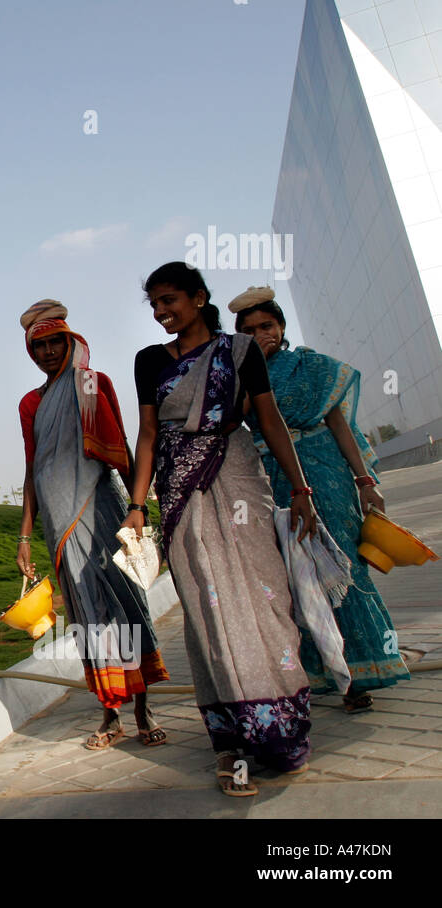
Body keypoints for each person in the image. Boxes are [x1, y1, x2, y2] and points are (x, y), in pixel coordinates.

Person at [123, 263, 317, 797]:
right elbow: (145, 434)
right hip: (180, 488)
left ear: (198, 298)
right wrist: (138, 505)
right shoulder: (147, 361)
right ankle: (232, 742)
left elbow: (268, 418)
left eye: (170, 301)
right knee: (209, 607)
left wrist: (301, 490)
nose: (163, 312)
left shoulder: (240, 351)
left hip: (237, 474)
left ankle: (281, 729)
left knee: (265, 595)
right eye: (155, 304)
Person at [232, 286, 409, 712]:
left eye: (267, 326)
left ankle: (362, 669)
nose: (262, 335)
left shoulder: (311, 367)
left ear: (282, 326)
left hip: (326, 470)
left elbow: (340, 425)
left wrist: (366, 481)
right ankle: (320, 673)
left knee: (343, 564)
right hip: (275, 479)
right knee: (299, 575)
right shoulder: (240, 375)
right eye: (250, 330)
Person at [16, 299, 170, 749]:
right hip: (59, 520)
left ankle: (144, 709)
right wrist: (24, 534)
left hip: (103, 506)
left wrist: (139, 507)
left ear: (70, 341)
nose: (47, 352)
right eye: (38, 345)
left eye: (54, 342)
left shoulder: (93, 383)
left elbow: (120, 444)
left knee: (127, 602)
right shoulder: (31, 403)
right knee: (86, 612)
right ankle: (110, 714)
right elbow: (31, 466)